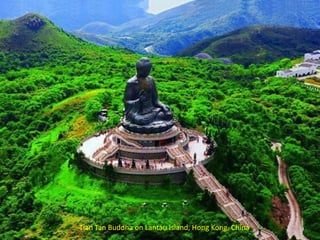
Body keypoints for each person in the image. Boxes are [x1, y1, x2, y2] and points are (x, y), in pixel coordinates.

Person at [123, 58, 173, 128]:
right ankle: (152, 120)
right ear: (138, 69)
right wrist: (139, 100)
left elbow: (156, 100)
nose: (147, 72)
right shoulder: (131, 83)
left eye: (148, 70)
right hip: (137, 113)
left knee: (168, 114)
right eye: (145, 71)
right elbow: (127, 102)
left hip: (151, 109)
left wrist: (163, 106)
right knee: (141, 120)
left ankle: (153, 119)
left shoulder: (151, 80)